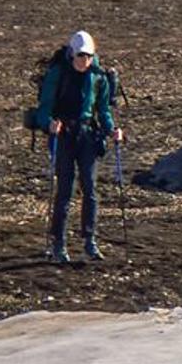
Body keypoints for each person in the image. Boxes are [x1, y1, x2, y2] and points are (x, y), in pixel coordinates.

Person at [32, 29, 120, 265]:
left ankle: (90, 240)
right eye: (81, 56)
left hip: (87, 135)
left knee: (90, 189)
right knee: (65, 190)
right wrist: (48, 123)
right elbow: (44, 109)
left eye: (88, 56)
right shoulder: (57, 74)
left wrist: (111, 129)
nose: (85, 60)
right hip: (63, 136)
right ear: (71, 54)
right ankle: (59, 243)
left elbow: (103, 110)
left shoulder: (98, 77)